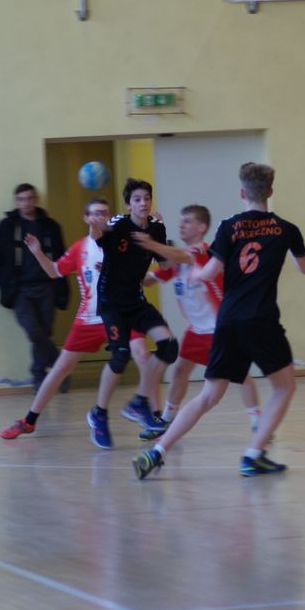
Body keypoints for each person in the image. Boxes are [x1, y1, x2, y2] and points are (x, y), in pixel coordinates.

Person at [132, 162, 305, 480]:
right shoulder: (287, 229)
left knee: (208, 396)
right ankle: (254, 454)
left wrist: (196, 267)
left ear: (242, 193)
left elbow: (208, 273)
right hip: (261, 319)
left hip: (227, 320)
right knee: (284, 386)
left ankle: (157, 451)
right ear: (270, 191)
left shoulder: (229, 226)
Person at [0, 198, 150, 447]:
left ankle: (154, 418)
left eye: (104, 213)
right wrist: (37, 252)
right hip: (89, 317)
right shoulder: (80, 248)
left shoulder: (121, 243)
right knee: (60, 368)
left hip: (121, 313)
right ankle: (29, 420)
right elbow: (54, 271)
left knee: (143, 355)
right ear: (86, 218)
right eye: (95, 213)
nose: (100, 217)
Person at [136, 204, 262, 438]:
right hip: (196, 331)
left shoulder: (205, 252)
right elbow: (148, 280)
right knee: (179, 371)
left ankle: (257, 421)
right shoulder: (178, 262)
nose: (181, 225)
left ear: (202, 227)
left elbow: (180, 255)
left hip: (219, 329)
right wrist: (117, 271)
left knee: (241, 374)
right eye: (180, 221)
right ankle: (166, 421)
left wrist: (150, 241)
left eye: (187, 221)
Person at [90, 178, 181, 445]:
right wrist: (95, 226)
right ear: (128, 204)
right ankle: (99, 414)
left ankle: (139, 402)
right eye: (137, 199)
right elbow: (98, 238)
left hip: (135, 300)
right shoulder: (119, 224)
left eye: (146, 198)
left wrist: (159, 245)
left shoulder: (156, 228)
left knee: (169, 346)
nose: (143, 203)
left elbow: (165, 265)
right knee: (121, 355)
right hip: (111, 302)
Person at [0, 183, 69, 389]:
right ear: (16, 202)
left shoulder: (51, 226)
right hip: (20, 290)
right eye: (21, 199)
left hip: (47, 287)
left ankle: (39, 376)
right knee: (34, 330)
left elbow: (62, 257)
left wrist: (61, 288)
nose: (26, 203)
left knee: (45, 332)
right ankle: (60, 366)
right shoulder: (7, 226)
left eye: (29, 198)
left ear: (36, 200)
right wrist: (5, 285)